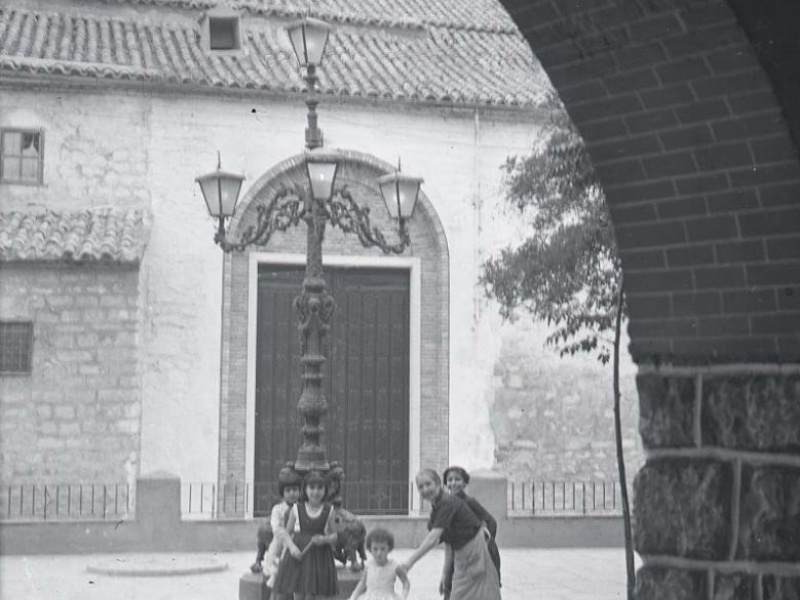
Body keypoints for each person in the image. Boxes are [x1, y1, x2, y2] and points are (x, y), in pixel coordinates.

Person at [399, 469, 501, 600]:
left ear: (438, 484)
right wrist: (445, 574)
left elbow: (433, 538)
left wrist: (409, 562)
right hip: (462, 557)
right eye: (420, 487)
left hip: (478, 553)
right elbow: (448, 542)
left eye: (428, 484)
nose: (425, 489)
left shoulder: (448, 502)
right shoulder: (438, 508)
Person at [271, 470, 339, 599]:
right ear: (305, 489)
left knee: (313, 593)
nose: (315, 492)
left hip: (319, 556)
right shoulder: (297, 509)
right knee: (298, 591)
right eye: (312, 487)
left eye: (320, 488)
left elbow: (334, 536)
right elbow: (287, 532)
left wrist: (324, 539)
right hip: (299, 554)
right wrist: (291, 547)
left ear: (325, 490)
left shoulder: (328, 510)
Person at [442, 466, 502, 598]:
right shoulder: (448, 504)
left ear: (464, 483)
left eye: (457, 479)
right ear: (446, 483)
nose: (453, 483)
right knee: (451, 587)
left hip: (477, 555)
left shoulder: (469, 502)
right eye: (449, 479)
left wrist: (484, 544)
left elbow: (491, 522)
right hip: (458, 554)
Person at [251, 466, 302, 592]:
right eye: (288, 490)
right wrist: (286, 539)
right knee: (272, 575)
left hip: (297, 545)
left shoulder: (302, 509)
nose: (292, 493)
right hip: (279, 546)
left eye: (295, 490)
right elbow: (276, 529)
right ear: (283, 493)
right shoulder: (277, 509)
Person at [349, 528, 410, 600]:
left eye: (383, 549)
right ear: (370, 549)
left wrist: (404, 595)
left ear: (389, 548)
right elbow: (363, 583)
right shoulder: (369, 566)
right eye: (375, 549)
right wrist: (354, 595)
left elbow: (406, 582)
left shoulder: (394, 566)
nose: (379, 553)